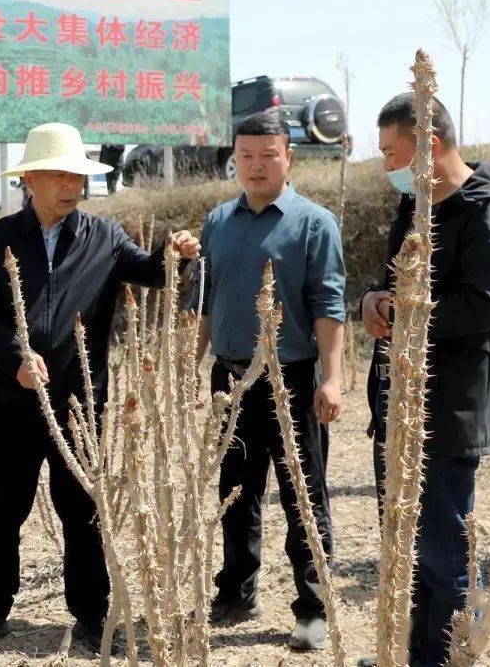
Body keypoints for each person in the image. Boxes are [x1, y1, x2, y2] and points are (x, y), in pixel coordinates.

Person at [0, 122, 201, 653]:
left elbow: (151, 271)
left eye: (77, 176)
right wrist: (15, 358)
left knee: (83, 509)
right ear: (30, 180)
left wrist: (175, 252)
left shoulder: (102, 237)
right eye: (59, 176)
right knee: (6, 509)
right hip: (12, 402)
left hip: (80, 403)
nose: (71, 186)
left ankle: (91, 615)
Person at [358, 94, 490, 667]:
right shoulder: (415, 206)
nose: (387, 167)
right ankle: (411, 653)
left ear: (428, 145)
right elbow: (394, 282)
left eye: (391, 153)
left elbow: (484, 304)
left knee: (443, 544)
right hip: (401, 395)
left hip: (451, 405)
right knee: (408, 544)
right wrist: (374, 300)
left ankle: (445, 657)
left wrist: (404, 310)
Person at [192, 108, 346, 652]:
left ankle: (313, 608)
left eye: (267, 155)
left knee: (304, 496)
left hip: (293, 381)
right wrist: (195, 367)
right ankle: (235, 590)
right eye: (246, 156)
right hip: (229, 379)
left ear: (289, 157)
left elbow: (329, 307)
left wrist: (332, 379)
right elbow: (204, 303)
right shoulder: (217, 221)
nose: (255, 167)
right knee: (236, 491)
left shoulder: (313, 222)